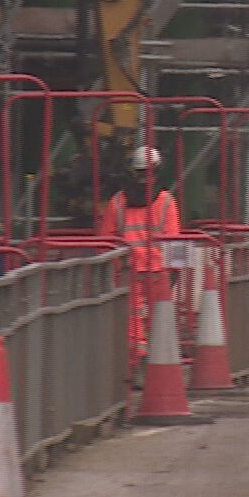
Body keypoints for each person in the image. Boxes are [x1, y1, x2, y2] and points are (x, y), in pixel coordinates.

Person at [97, 146, 182, 358]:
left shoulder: (117, 202)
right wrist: (176, 271)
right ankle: (157, 361)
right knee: (157, 317)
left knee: (132, 319)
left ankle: (135, 362)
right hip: (158, 271)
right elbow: (174, 240)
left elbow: (105, 242)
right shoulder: (166, 202)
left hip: (128, 271)